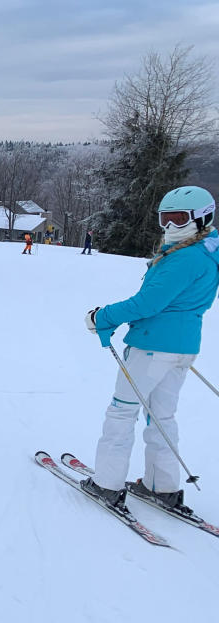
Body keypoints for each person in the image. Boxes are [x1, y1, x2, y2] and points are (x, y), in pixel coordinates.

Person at [81, 186, 219, 509]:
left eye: (179, 219)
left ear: (202, 218)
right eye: (165, 219)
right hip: (182, 348)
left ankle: (107, 484)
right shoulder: (208, 251)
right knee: (161, 415)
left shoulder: (182, 259)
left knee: (122, 411)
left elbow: (147, 303)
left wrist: (103, 316)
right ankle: (162, 485)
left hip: (151, 348)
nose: (170, 227)